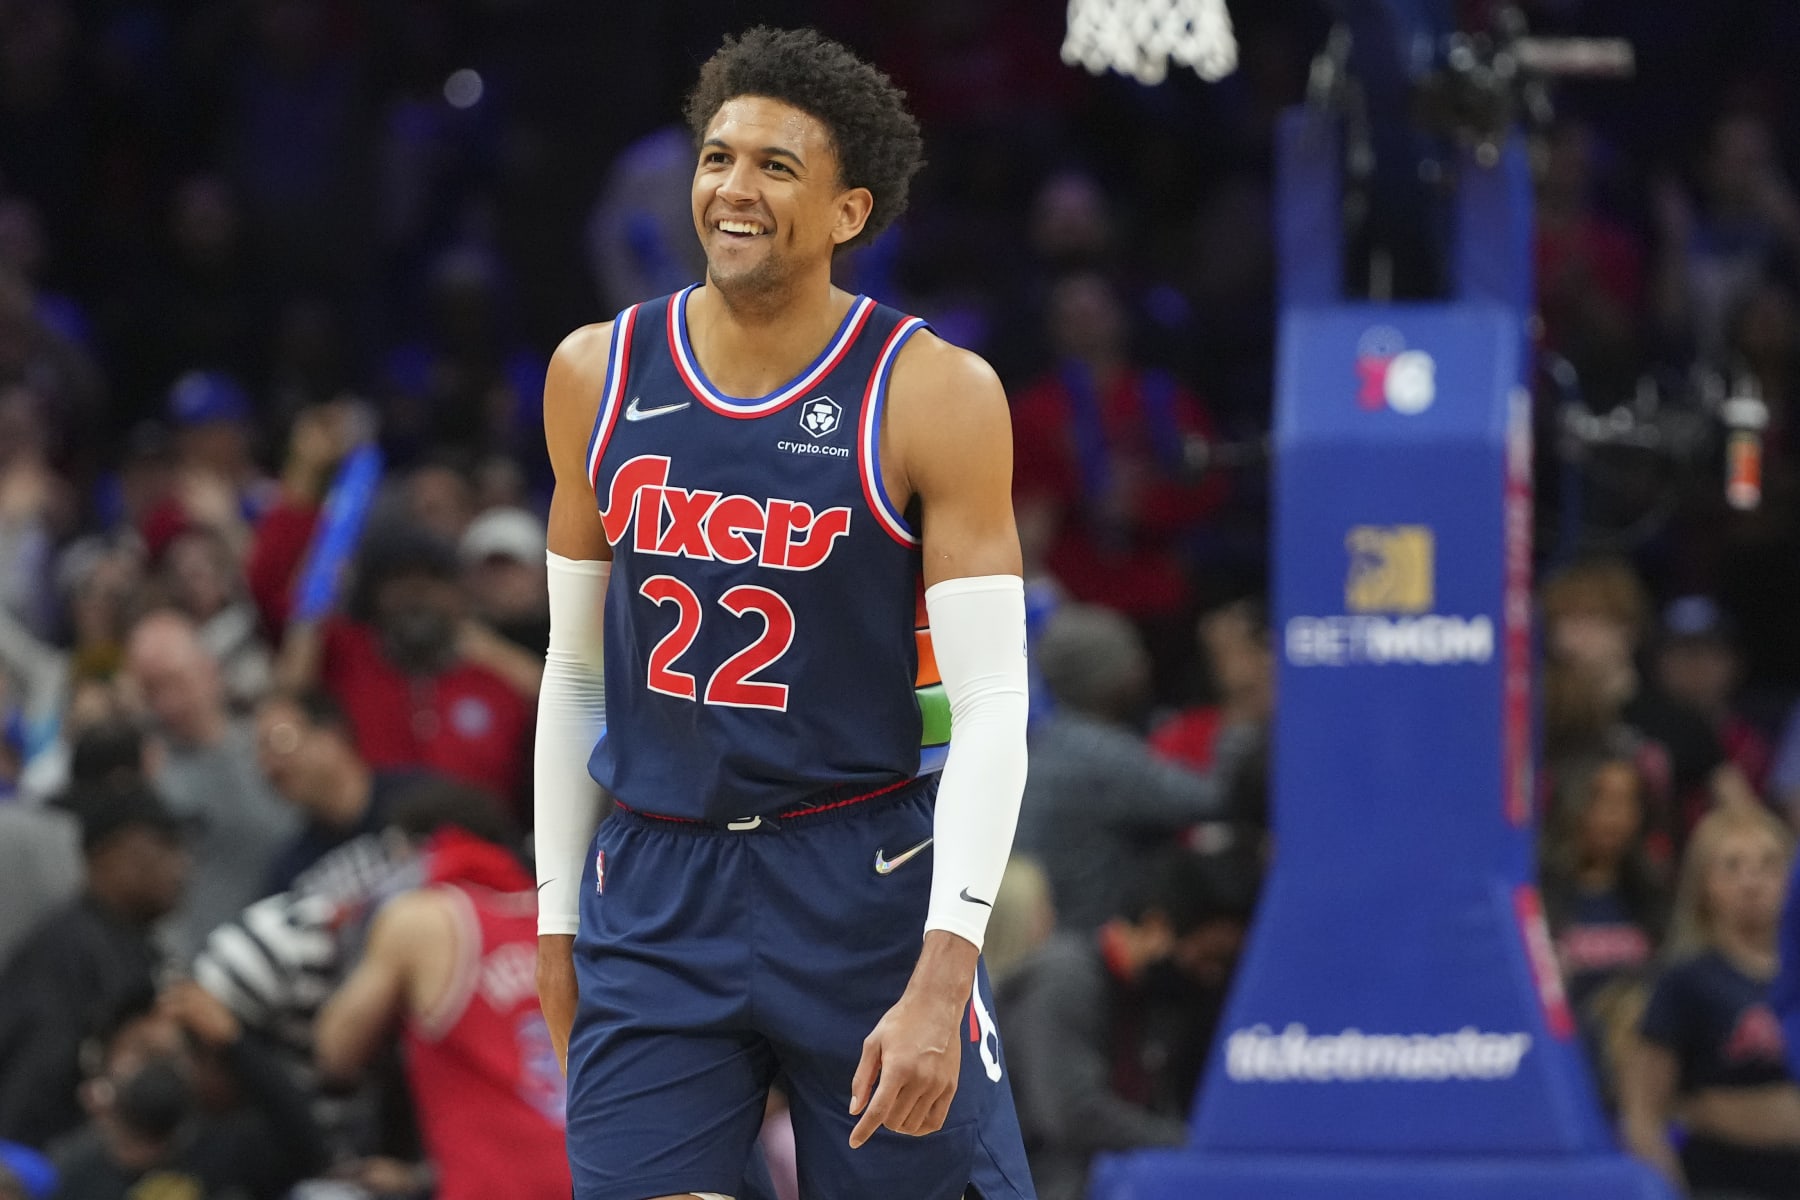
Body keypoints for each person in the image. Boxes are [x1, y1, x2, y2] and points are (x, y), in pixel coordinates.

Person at [533, 26, 1036, 1200]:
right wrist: (556, 925)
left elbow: (993, 702)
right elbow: (575, 673)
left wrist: (945, 971)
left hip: (863, 874)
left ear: (851, 211)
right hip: (656, 879)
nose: (732, 189)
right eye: (717, 158)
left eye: (775, 166)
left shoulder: (934, 392)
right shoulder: (596, 372)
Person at [315, 781, 570, 1200]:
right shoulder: (568, 917)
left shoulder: (421, 920)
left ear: (410, 852)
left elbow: (334, 1052)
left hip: (495, 1189)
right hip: (601, 1177)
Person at [1000, 847, 1258, 1200]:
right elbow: (1071, 1113)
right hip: (1037, 1182)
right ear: (1156, 927)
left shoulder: (1149, 996)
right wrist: (1194, 1142)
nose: (1211, 974)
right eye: (1207, 957)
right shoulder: (1066, 980)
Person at [1619, 805, 1800, 1198]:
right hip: (1721, 1185)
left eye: (1769, 865)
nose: (1752, 882)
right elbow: (1643, 1115)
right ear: (1703, 884)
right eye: (1732, 867)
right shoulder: (1685, 982)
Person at [0, 783, 190, 1149]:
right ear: (106, 855)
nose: (182, 865)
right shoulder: (67, 952)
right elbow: (29, 1094)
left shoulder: (131, 940)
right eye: (162, 846)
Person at [49, 981, 326, 1200]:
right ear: (104, 1064)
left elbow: (309, 1147)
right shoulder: (72, 1174)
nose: (157, 1069)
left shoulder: (232, 1154)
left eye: (170, 1056)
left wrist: (234, 1041)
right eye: (144, 1052)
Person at [123, 609, 295, 962]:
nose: (167, 703)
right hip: (213, 963)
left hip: (297, 940)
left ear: (209, 670)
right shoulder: (149, 780)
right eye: (152, 690)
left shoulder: (270, 744)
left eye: (175, 681)